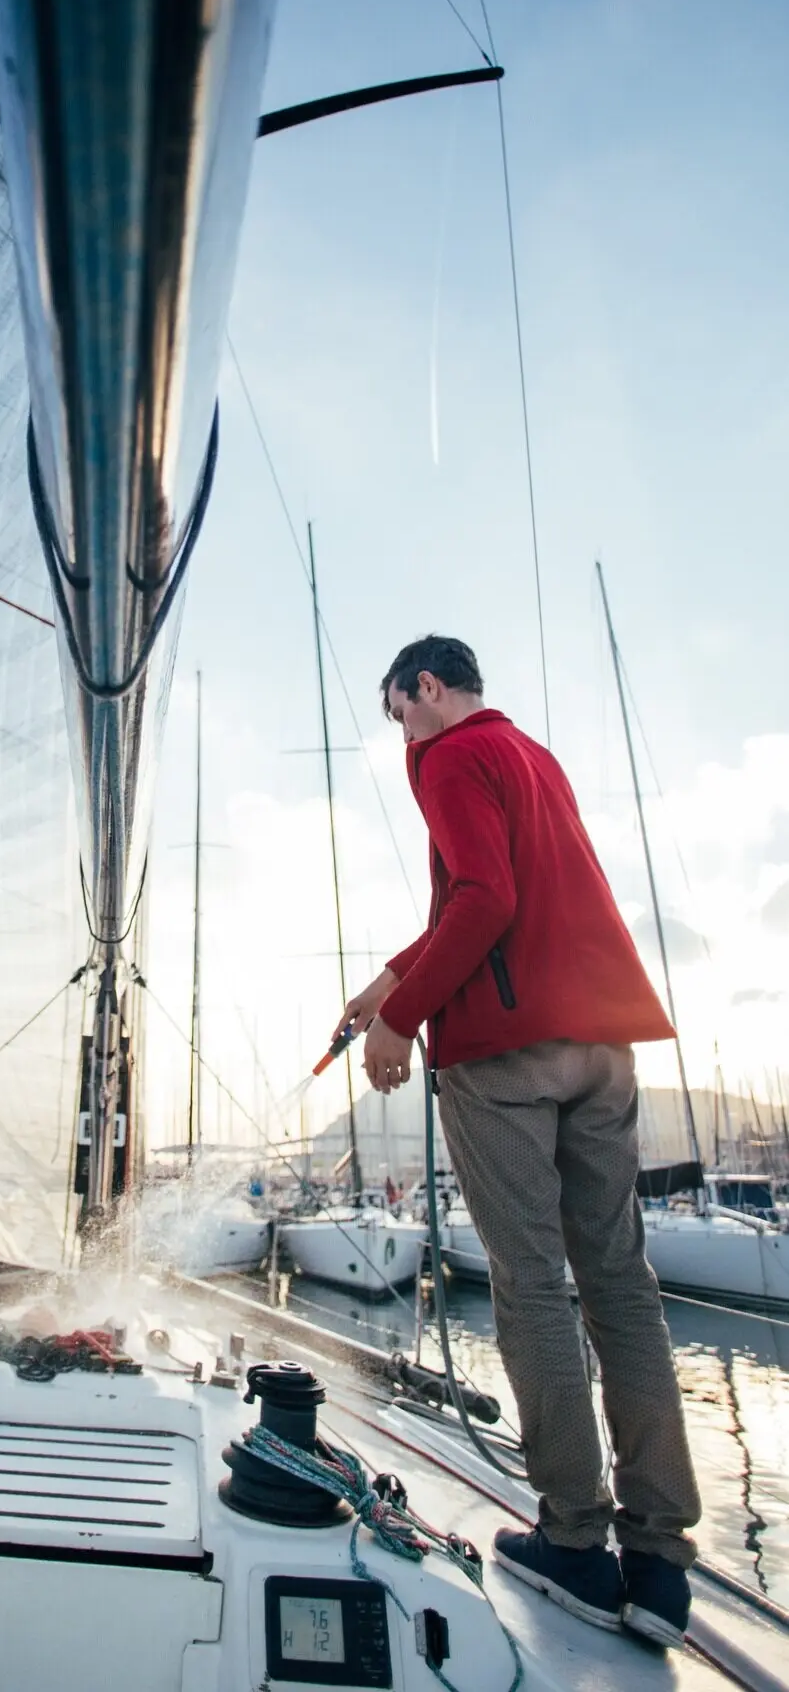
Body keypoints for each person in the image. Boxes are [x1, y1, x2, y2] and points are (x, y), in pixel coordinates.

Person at [333, 635, 700, 1648]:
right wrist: (384, 982)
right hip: (600, 1044)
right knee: (619, 1284)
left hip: (510, 1053)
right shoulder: (530, 757)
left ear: (425, 686)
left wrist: (401, 1020)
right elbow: (492, 896)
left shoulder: (446, 756)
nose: (398, 732)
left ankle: (575, 1544)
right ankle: (660, 1563)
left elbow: (485, 902)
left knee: (532, 1282)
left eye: (397, 709)